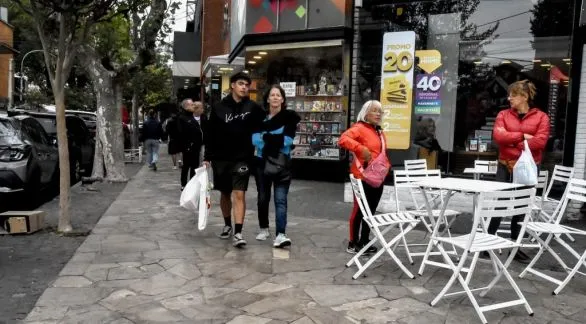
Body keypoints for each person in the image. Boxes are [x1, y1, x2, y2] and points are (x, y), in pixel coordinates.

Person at [486, 79, 550, 263]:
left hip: (528, 167)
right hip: (505, 165)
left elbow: (540, 142)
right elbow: (499, 136)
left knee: (521, 207)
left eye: (513, 95)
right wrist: (522, 136)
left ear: (524, 97)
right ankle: (488, 242)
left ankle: (516, 247)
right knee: (499, 204)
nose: (509, 98)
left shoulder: (541, 117)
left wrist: (513, 141)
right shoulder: (503, 114)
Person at [203, 71, 265, 248]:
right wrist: (207, 157)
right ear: (232, 85)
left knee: (239, 193)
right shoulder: (218, 107)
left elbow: (266, 123)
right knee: (225, 193)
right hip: (220, 158)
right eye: (241, 84)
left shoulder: (253, 107)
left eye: (247, 84)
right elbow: (210, 134)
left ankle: (238, 232)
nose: (244, 87)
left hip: (243, 158)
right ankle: (227, 225)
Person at [252, 85, 300, 248]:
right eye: (272, 95)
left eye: (278, 95)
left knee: (281, 200)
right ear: (267, 99)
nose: (275, 97)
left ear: (283, 99)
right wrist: (274, 140)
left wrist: (266, 137)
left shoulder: (290, 118)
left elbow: (287, 141)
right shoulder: (259, 118)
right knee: (263, 197)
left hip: (282, 164)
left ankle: (281, 233)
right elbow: (255, 140)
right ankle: (264, 228)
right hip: (261, 163)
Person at [338, 100, 389, 254]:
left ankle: (364, 240)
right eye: (374, 111)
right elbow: (343, 139)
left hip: (377, 177)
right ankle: (353, 242)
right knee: (359, 210)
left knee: (371, 210)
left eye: (380, 111)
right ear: (366, 113)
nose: (378, 114)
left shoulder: (379, 131)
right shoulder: (359, 128)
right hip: (362, 176)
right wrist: (360, 148)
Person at [178, 99, 206, 191]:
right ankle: (184, 184)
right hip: (188, 147)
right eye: (191, 104)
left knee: (194, 167)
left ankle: (191, 184)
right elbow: (181, 133)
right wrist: (187, 145)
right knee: (186, 166)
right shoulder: (182, 118)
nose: (193, 106)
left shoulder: (192, 117)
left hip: (196, 147)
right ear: (186, 106)